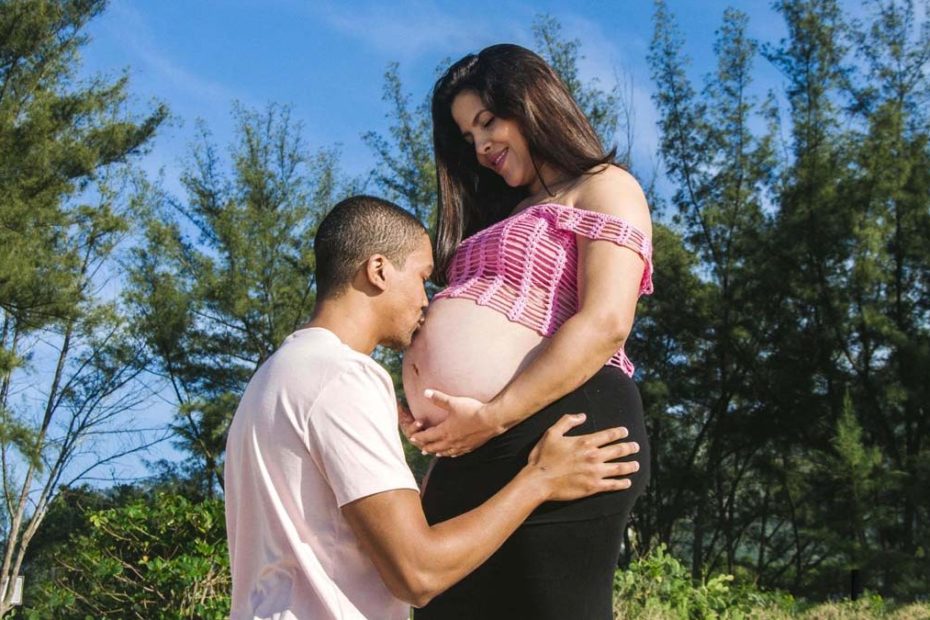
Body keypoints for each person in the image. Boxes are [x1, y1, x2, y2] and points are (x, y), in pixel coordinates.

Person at [224, 195, 642, 620]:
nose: (428, 301)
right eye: (423, 277)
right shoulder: (341, 377)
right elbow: (417, 574)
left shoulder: (275, 377)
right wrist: (539, 479)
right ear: (379, 270)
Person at [401, 44, 654, 619]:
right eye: (467, 137)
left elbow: (607, 321)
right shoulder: (500, 214)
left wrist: (493, 414)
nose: (481, 145)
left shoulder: (603, 186)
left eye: (488, 122)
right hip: (475, 445)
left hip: (561, 422)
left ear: (532, 102)